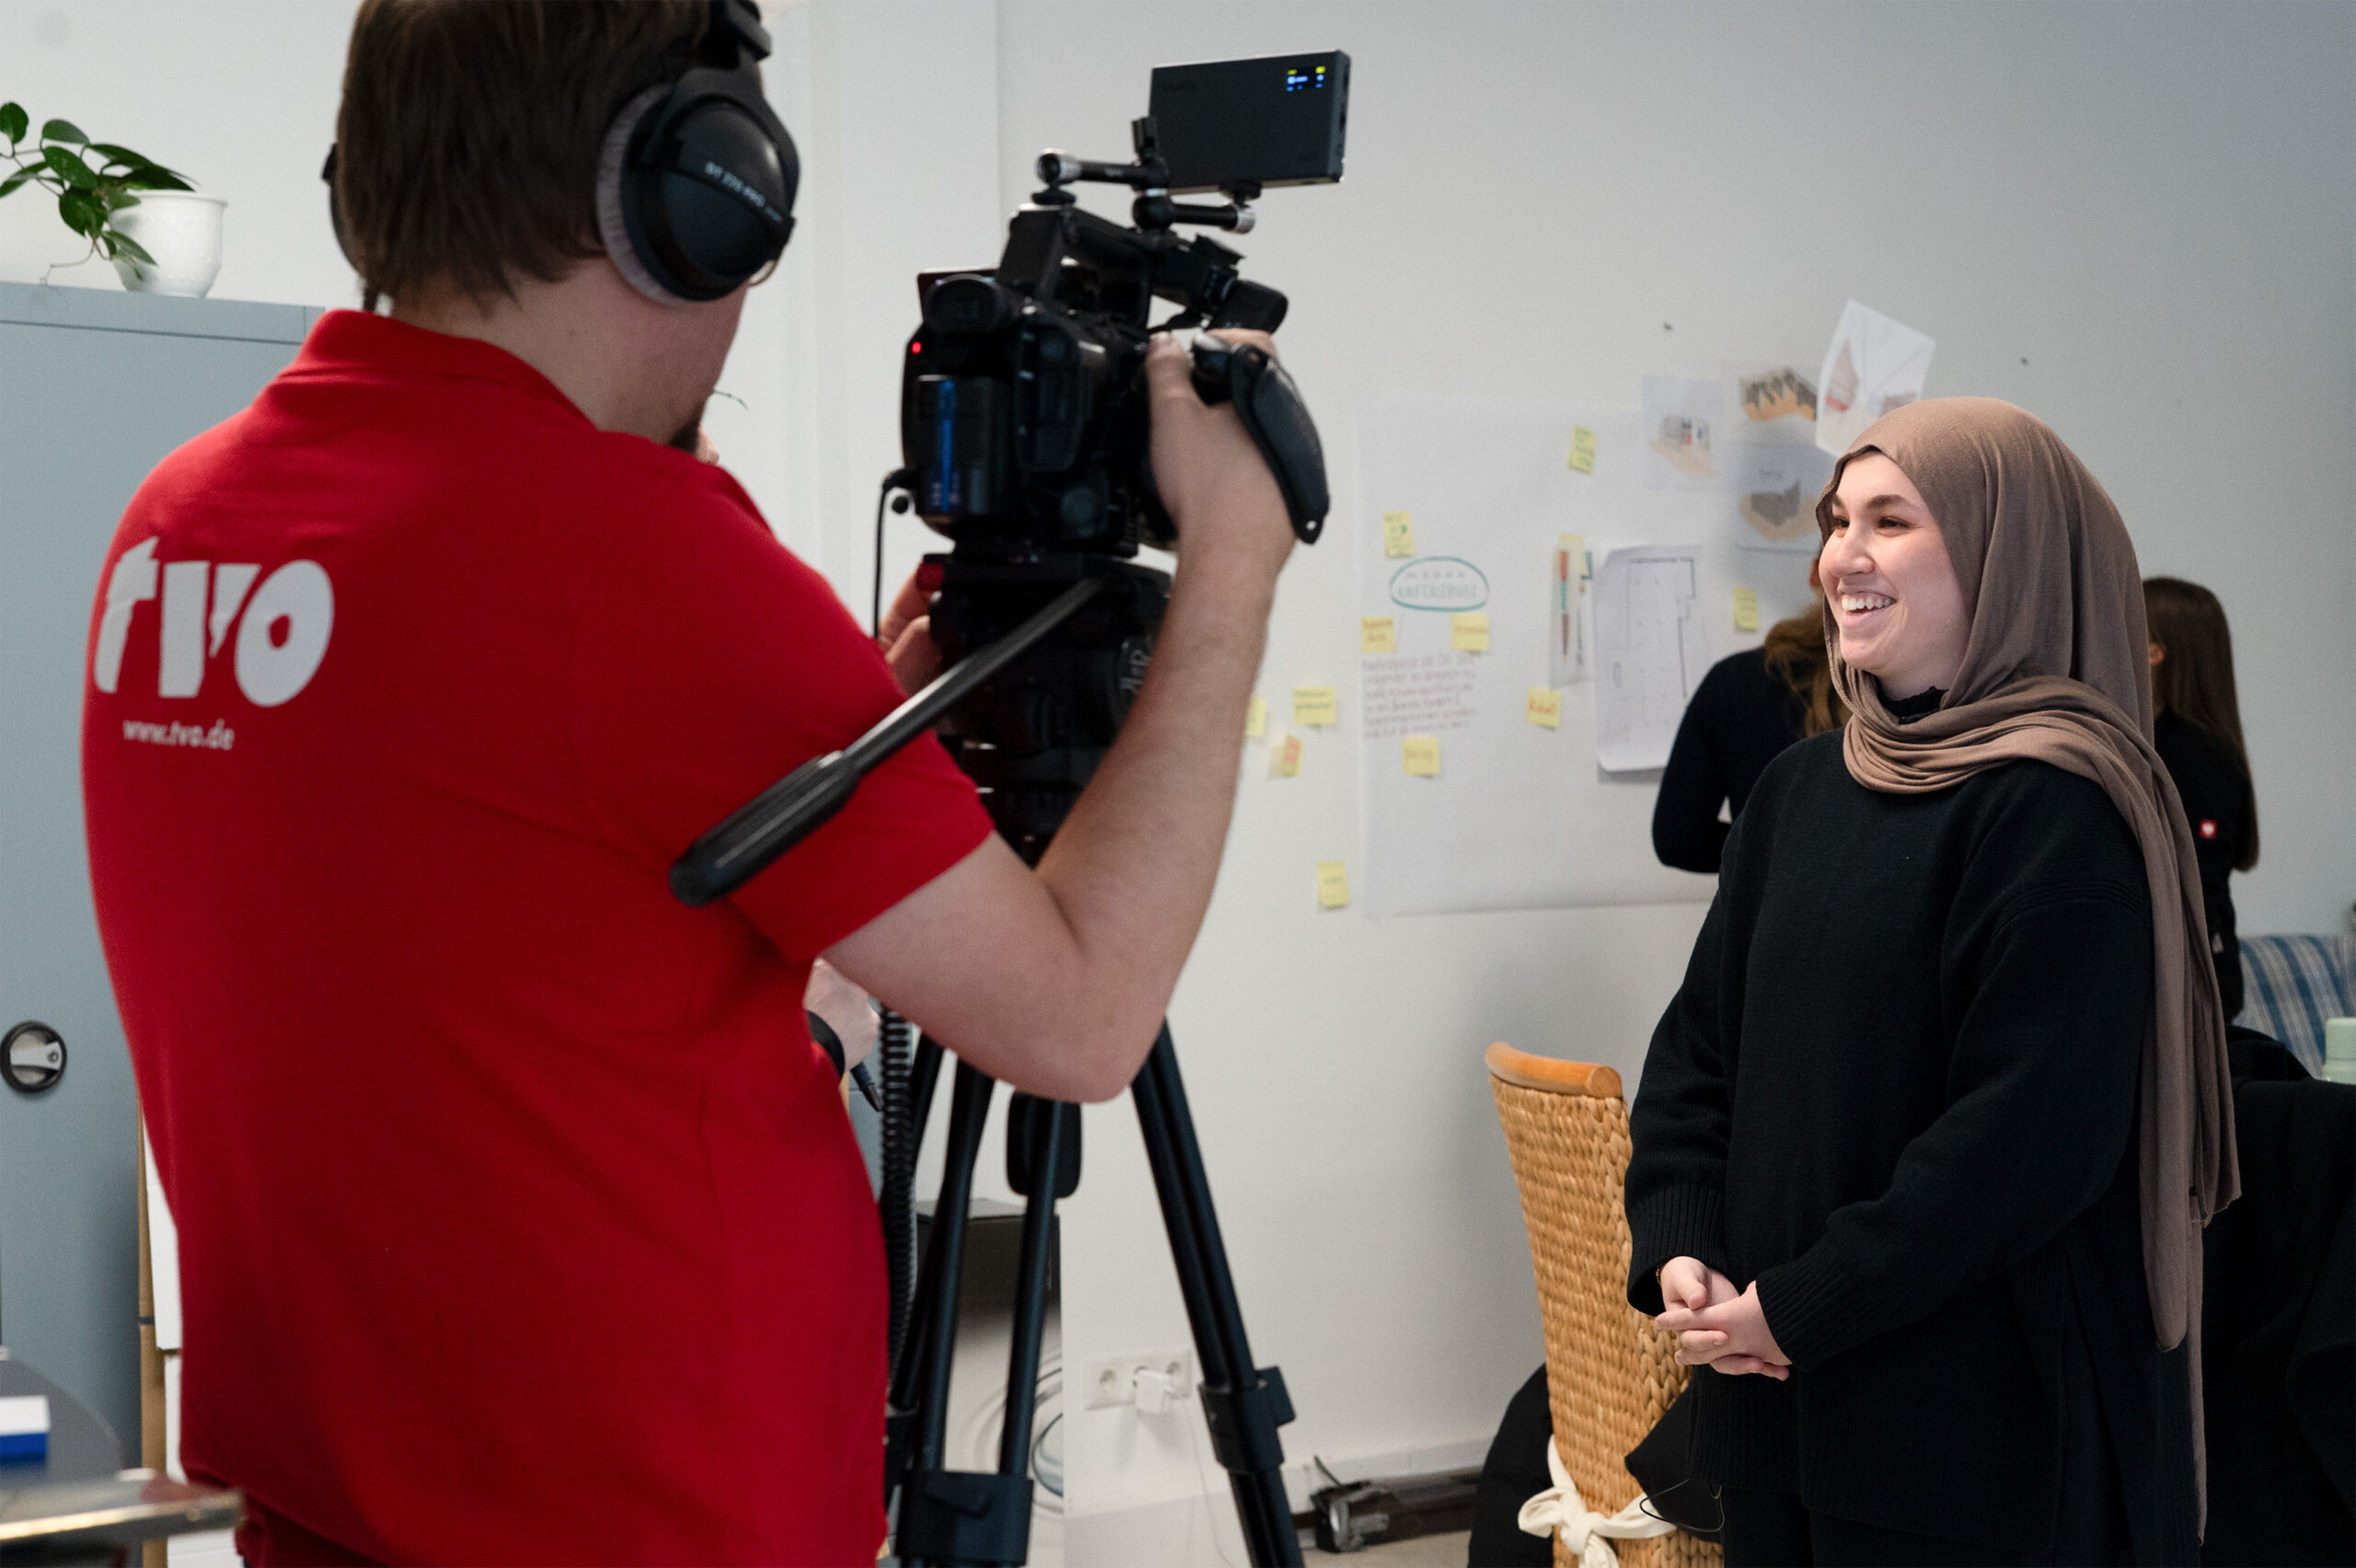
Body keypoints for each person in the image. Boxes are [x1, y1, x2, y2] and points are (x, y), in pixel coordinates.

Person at [79, 3, 1296, 1563]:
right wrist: (1236, 574)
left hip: (326, 1510)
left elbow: (499, 904)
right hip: (650, 1524)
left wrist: (829, 720)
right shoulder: (634, 562)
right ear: (694, 192)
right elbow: (1079, 1015)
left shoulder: (180, 524)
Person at [1623, 398, 2237, 1566]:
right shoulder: (1799, 792)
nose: (1839, 557)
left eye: (1890, 521)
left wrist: (1799, 1308)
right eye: (1835, 519)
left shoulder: (2061, 810)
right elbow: (1698, 1052)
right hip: (1776, 1402)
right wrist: (1681, 1244)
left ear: (2005, 554)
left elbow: (2018, 1147)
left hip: (1967, 1439)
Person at [1651, 564, 1845, 873]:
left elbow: (1680, 840)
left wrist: (1769, 855)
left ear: (1814, 572)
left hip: (1774, 915)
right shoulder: (1931, 690)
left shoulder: (1737, 681)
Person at [2145, 577, 2258, 1021]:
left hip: (2195, 988)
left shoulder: (2196, 756)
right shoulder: (2165, 744)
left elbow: (2194, 887)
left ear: (2156, 652)